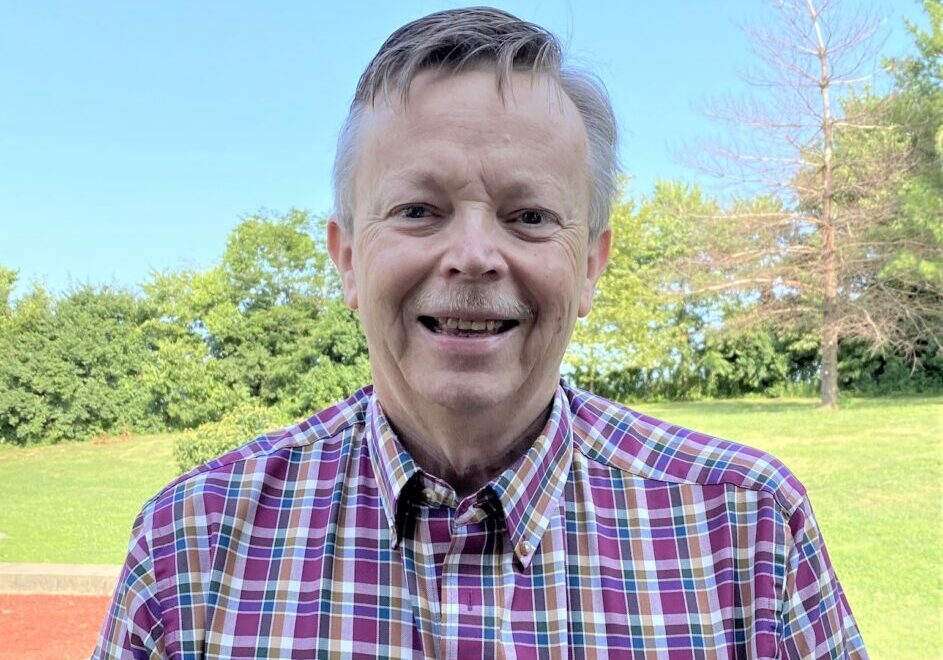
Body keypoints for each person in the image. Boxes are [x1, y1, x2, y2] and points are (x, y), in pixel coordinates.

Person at [94, 7, 866, 658]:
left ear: (590, 263)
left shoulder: (748, 531)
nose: (471, 256)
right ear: (349, 260)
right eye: (418, 210)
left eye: (528, 216)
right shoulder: (188, 548)